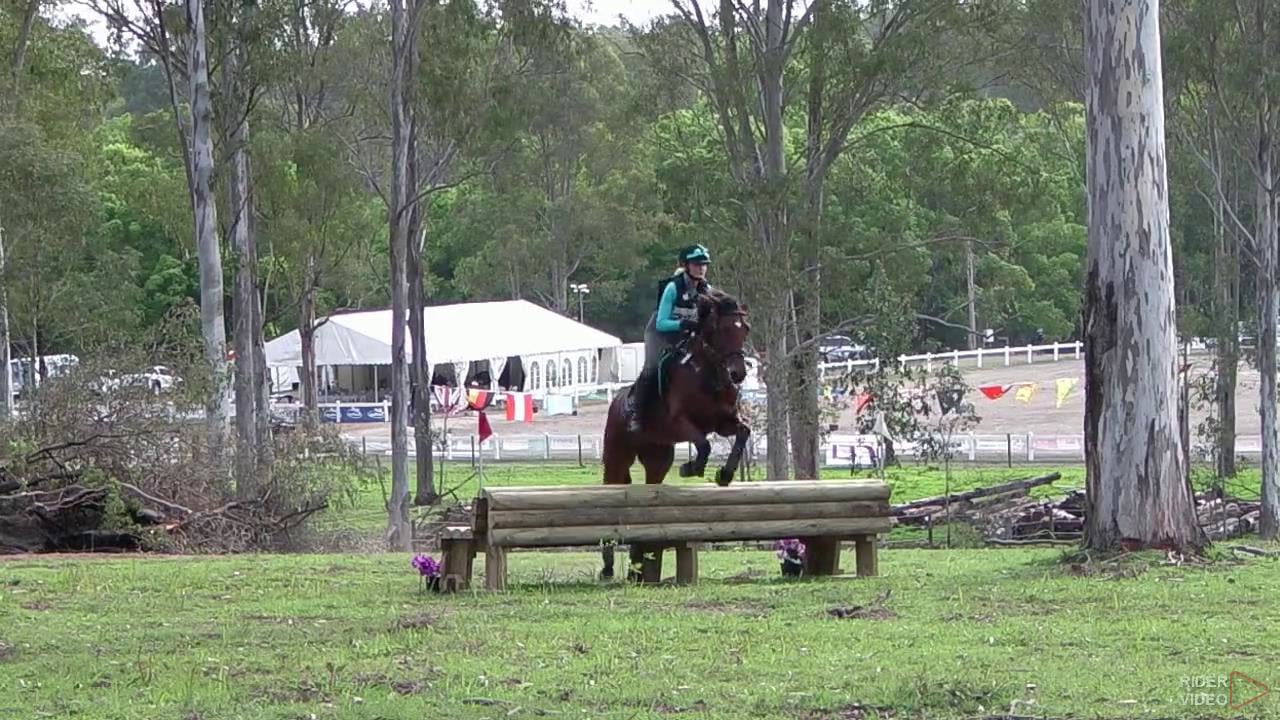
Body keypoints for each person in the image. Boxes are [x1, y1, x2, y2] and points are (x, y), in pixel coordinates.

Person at [625, 244, 714, 433]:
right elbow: (661, 323)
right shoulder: (673, 288)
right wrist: (683, 323)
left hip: (684, 335)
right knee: (652, 368)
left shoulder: (707, 290)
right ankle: (636, 413)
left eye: (704, 264)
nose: (701, 268)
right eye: (696, 264)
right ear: (686, 265)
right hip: (659, 334)